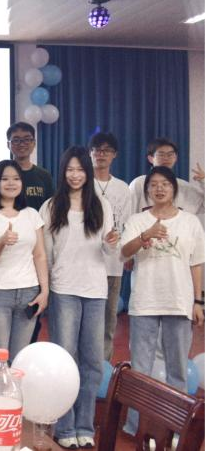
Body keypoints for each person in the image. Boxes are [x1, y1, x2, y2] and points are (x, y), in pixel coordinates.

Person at [39, 147, 118, 449]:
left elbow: (108, 249)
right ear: (63, 172)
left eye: (80, 169)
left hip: (95, 290)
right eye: (70, 169)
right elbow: (46, 254)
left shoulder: (101, 205)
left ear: (88, 172)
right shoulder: (51, 206)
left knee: (92, 361)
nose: (75, 175)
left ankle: (85, 425)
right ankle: (65, 426)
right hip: (64, 290)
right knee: (66, 360)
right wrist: (47, 288)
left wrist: (111, 242)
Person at [120, 166, 204, 436]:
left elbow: (196, 263)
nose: (159, 188)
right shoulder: (137, 220)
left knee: (177, 370)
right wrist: (145, 235)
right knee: (140, 370)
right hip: (144, 302)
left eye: (165, 184)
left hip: (179, 302)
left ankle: (177, 429)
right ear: (147, 191)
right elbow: (124, 253)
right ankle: (135, 427)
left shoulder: (190, 222)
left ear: (174, 189)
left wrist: (198, 301)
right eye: (154, 184)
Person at [0, 160, 48, 367]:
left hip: (29, 292)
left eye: (16, 179)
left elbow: (40, 255)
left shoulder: (32, 214)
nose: (11, 183)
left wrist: (44, 291)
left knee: (19, 360)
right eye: (5, 179)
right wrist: (2, 241)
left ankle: (15, 391)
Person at [88, 132, 133, 361]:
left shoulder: (123, 188)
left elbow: (127, 224)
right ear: (90, 153)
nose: (101, 154)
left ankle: (104, 366)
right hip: (86, 263)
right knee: (86, 322)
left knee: (108, 321)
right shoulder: (82, 183)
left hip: (113, 265)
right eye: (97, 149)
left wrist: (126, 255)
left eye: (106, 150)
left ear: (114, 155)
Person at [128, 137, 204, 219]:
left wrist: (204, 180)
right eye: (161, 155)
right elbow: (127, 213)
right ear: (150, 158)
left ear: (175, 158)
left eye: (170, 155)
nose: (166, 158)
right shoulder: (139, 183)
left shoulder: (185, 187)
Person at [6, 122, 54, 210]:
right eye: (16, 140)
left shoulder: (44, 176)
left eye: (27, 139)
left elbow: (51, 208)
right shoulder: (1, 175)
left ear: (34, 143)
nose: (22, 144)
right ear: (8, 145)